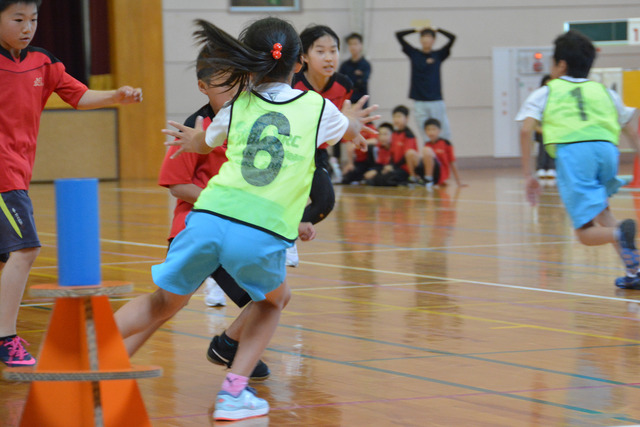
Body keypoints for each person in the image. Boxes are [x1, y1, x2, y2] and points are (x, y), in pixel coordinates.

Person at [114, 17, 378, 421]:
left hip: (206, 218)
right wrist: (355, 125)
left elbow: (205, 139)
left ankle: (81, 353)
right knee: (273, 302)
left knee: (161, 302)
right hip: (259, 230)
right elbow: (347, 129)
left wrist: (191, 140)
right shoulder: (318, 107)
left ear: (249, 66)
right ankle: (234, 394)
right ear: (297, 66)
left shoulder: (237, 106)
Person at [0, 0, 142, 367]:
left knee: (10, 256)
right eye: (17, 19)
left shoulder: (43, 63)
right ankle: (5, 338)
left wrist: (114, 96)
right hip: (3, 176)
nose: (27, 27)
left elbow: (77, 94)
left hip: (18, 171)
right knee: (25, 250)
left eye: (32, 19)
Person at [516, 30, 640, 289]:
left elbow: (526, 130)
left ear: (561, 65)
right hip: (607, 151)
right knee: (603, 213)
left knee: (584, 233)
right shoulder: (604, 91)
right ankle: (634, 271)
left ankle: (620, 233)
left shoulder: (547, 91)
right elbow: (630, 123)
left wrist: (529, 175)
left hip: (575, 154)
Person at [158, 50, 234, 308]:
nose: (234, 89)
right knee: (165, 305)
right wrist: (222, 204)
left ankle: (227, 346)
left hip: (234, 231)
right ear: (203, 86)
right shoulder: (193, 128)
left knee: (265, 301)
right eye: (224, 83)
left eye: (240, 81)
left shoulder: (252, 126)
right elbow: (178, 186)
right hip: (193, 229)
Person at [293, 24, 353, 186]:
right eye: (320, 52)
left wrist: (353, 129)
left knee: (324, 201)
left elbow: (340, 123)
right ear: (304, 56)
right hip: (290, 151)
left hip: (319, 152)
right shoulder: (292, 84)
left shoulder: (344, 85)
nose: (328, 58)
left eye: (333, 51)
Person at [395, 25, 456, 143]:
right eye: (423, 37)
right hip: (419, 100)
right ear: (420, 39)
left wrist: (438, 29)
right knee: (424, 131)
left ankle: (446, 157)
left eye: (429, 37)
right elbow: (399, 35)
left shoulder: (438, 55)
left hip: (436, 100)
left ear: (433, 40)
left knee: (442, 129)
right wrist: (415, 29)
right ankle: (429, 156)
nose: (426, 40)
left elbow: (452, 38)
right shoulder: (414, 54)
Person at [421, 118, 465, 188]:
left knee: (427, 150)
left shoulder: (446, 144)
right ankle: (423, 180)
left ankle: (429, 181)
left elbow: (452, 162)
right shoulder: (427, 144)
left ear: (439, 130)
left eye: (433, 129)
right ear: (425, 131)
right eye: (428, 129)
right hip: (431, 172)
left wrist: (458, 181)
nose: (431, 132)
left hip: (441, 173)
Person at [389, 105, 421, 184]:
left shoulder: (409, 135)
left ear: (406, 118)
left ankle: (412, 178)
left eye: (399, 117)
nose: (396, 119)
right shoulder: (394, 134)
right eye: (394, 117)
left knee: (391, 177)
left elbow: (406, 156)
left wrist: (394, 167)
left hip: (405, 168)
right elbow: (392, 153)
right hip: (397, 167)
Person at [338, 32, 371, 106]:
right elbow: (340, 83)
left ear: (361, 46)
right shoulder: (344, 65)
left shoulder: (365, 65)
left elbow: (363, 82)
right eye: (350, 44)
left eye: (355, 44)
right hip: (347, 101)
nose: (353, 47)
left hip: (361, 102)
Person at [534, 74, 556, 180]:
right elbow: (534, 120)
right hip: (542, 130)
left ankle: (552, 167)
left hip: (554, 130)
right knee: (543, 145)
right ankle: (541, 167)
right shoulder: (538, 100)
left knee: (552, 146)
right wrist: (539, 129)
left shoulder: (558, 100)